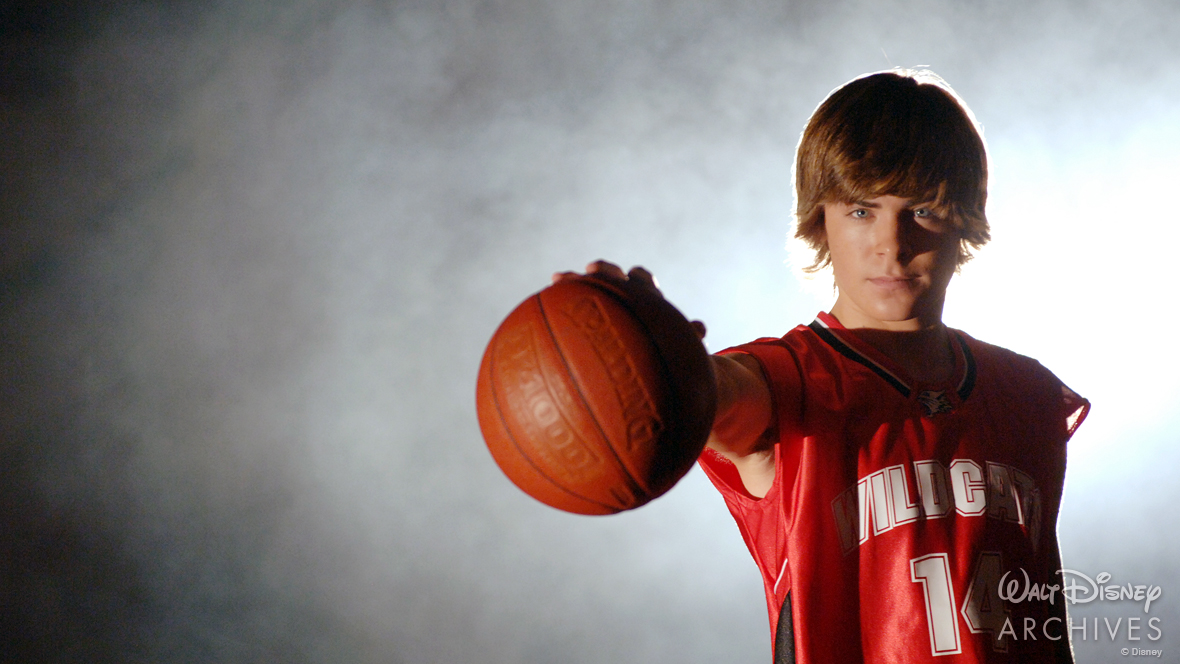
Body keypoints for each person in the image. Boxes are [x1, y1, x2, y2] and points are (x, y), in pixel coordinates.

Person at [558, 70, 1089, 663]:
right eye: (862, 211)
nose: (891, 242)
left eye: (923, 210)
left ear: (963, 219)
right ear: (820, 221)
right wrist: (645, 348)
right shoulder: (789, 382)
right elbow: (710, 393)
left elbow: (1046, 621)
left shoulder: (1029, 394)